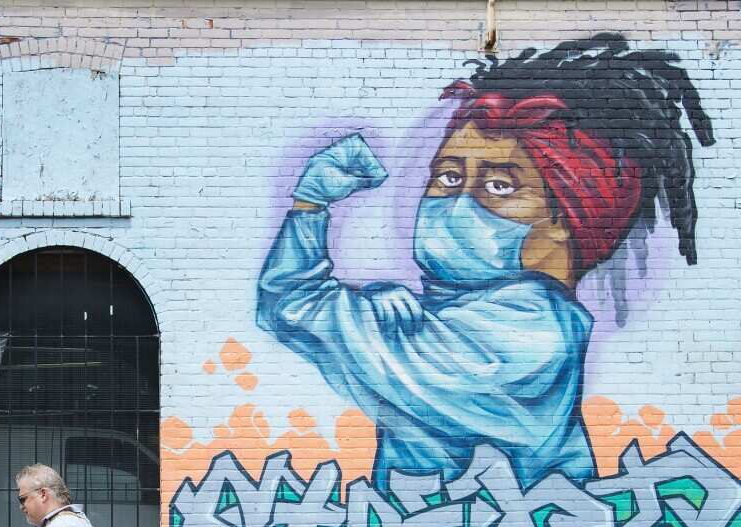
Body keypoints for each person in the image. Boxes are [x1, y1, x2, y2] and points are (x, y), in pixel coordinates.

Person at [257, 34, 714, 491]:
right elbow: (303, 311)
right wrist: (310, 210)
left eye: (500, 186)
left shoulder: (529, 332)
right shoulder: (448, 316)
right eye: (449, 176)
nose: (456, 202)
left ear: (567, 222)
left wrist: (312, 210)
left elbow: (303, 313)